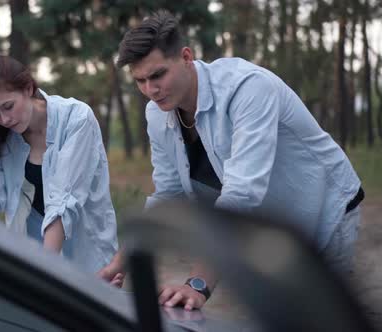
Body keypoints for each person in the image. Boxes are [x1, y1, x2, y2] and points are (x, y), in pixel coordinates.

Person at [104, 10, 365, 309]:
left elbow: (242, 194)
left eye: (158, 75)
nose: (150, 90)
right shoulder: (158, 113)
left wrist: (198, 284)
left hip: (323, 208)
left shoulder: (248, 89)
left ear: (186, 57)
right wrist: (120, 264)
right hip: (272, 227)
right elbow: (169, 194)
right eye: (140, 81)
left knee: (320, 313)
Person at [0, 54, 123, 287]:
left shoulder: (76, 118)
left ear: (28, 88)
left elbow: (63, 201)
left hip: (86, 260)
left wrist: (45, 273)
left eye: (8, 106)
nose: (4, 119)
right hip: (31, 262)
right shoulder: (2, 137)